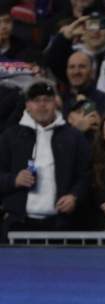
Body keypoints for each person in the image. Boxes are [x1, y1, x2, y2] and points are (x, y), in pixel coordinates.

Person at [0, 81, 90, 241]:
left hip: (60, 225)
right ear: (27, 105)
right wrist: (14, 180)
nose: (42, 105)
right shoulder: (10, 137)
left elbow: (85, 175)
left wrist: (74, 196)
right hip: (17, 225)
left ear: (55, 103)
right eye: (36, 100)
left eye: (47, 100)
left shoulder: (74, 137)